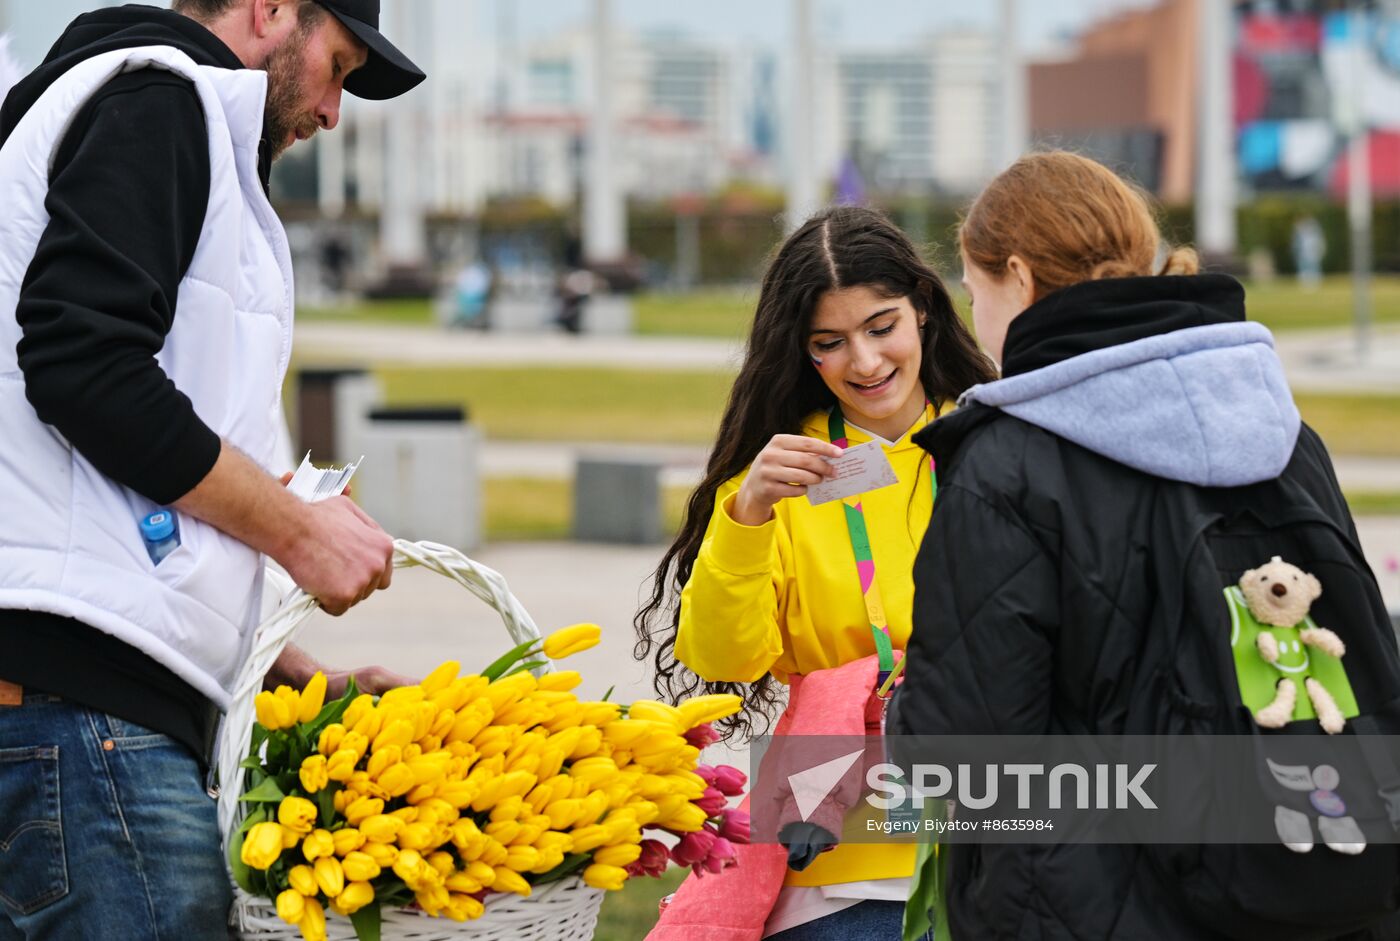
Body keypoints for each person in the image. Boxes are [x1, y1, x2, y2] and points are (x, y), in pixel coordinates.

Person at [887, 152, 1400, 938]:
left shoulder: (1008, 462)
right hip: (1313, 873)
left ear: (1017, 279)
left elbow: (969, 749)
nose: (973, 313)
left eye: (972, 287)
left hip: (1083, 905)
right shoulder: (1284, 431)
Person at [0, 1, 424, 937]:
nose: (333, 112)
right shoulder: (163, 98)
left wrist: (294, 679)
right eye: (340, 66)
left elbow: (105, 507)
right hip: (85, 727)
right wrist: (299, 528)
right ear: (273, 11)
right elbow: (83, 364)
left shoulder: (132, 106)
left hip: (66, 715)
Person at [635, 206, 995, 938]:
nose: (864, 362)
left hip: (996, 849)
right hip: (842, 876)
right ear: (803, 353)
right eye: (830, 343)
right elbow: (722, 658)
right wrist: (748, 514)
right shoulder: (782, 476)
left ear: (923, 310)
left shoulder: (997, 442)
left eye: (881, 326)